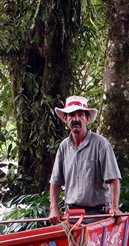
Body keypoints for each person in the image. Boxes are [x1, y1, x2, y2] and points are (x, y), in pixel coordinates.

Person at [48, 95, 122, 223]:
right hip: (71, 214)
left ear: (87, 119)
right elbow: (55, 181)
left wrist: (114, 207)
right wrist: (53, 208)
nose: (75, 119)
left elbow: (113, 178)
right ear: (65, 119)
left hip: (97, 214)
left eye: (80, 115)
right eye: (71, 115)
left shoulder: (100, 144)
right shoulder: (64, 147)